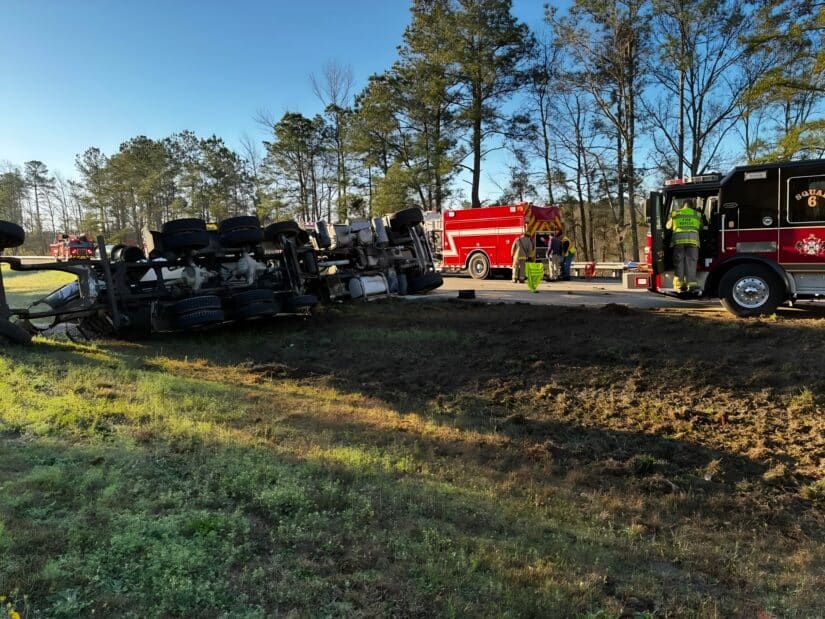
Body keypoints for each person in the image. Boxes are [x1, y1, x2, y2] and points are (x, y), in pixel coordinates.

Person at [666, 198, 705, 292]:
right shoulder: (697, 214)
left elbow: (668, 226)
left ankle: (679, 284)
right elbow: (701, 227)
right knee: (691, 262)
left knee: (679, 261)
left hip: (679, 241)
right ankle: (691, 284)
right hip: (693, 241)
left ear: (683, 205)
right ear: (692, 206)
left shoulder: (676, 214)